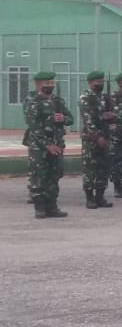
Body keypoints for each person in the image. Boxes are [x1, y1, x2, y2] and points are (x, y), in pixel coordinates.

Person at [25, 70, 72, 218]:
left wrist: (63, 118)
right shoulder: (32, 101)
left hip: (57, 144)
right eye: (47, 83)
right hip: (39, 147)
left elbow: (71, 119)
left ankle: (52, 206)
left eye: (52, 83)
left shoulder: (58, 101)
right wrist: (47, 145)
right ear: (38, 84)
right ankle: (40, 207)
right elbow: (34, 127)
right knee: (39, 177)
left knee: (54, 176)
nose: (50, 85)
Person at [78, 70, 115, 209]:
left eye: (101, 81)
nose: (100, 83)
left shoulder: (105, 97)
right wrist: (97, 137)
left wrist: (111, 117)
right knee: (90, 168)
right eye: (97, 81)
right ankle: (89, 198)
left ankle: (100, 196)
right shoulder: (85, 97)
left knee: (103, 168)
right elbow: (88, 119)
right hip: (91, 139)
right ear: (90, 82)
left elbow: (113, 115)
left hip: (106, 137)